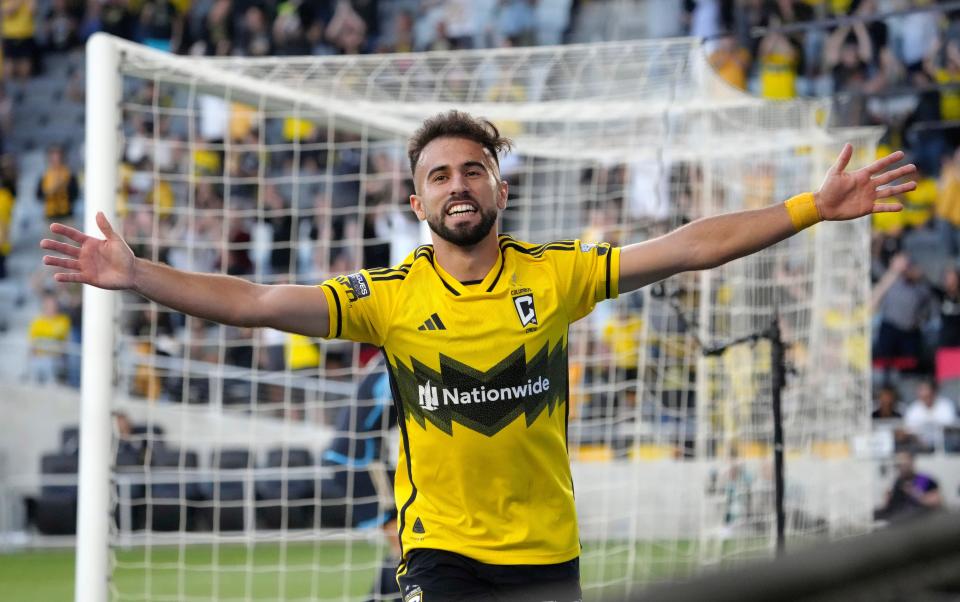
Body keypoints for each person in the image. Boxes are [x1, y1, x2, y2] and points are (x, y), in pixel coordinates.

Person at [41, 111, 915, 600]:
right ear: (415, 200)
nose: (457, 185)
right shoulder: (387, 297)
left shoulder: (562, 276)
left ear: (501, 186)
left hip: (547, 555)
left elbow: (688, 245)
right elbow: (259, 301)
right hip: (440, 554)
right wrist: (139, 273)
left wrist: (809, 207)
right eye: (439, 176)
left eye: (472, 171)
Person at [874, 450, 942, 525]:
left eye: (905, 462)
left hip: (916, 514)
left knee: (901, 517)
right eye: (900, 463)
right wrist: (888, 498)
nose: (902, 466)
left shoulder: (924, 480)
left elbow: (936, 502)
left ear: (911, 462)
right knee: (874, 514)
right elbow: (890, 505)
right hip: (897, 514)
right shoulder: (898, 481)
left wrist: (914, 492)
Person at [903, 378, 958, 452]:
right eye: (921, 390)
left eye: (926, 389)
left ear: (934, 391)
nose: (924, 393)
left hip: (944, 444)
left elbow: (949, 426)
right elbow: (910, 430)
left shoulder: (946, 405)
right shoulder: (913, 408)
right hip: (920, 444)